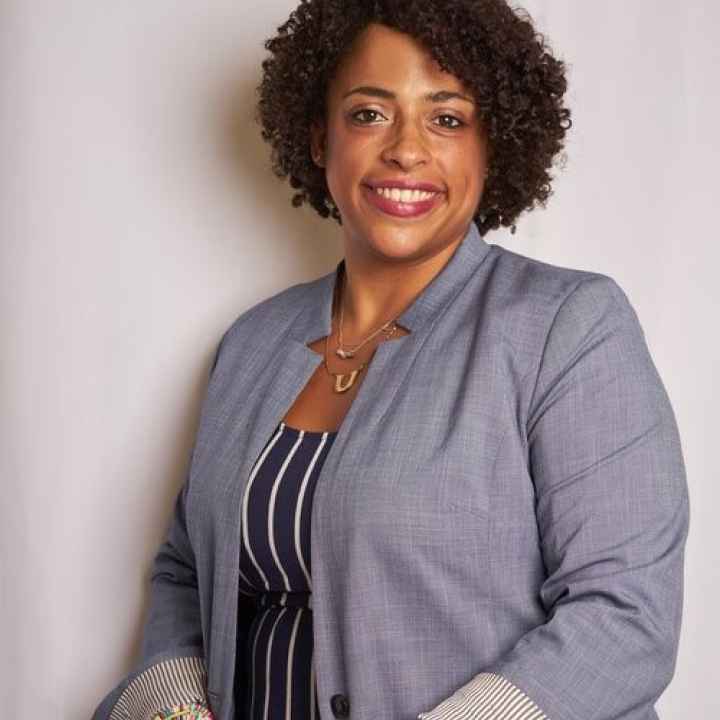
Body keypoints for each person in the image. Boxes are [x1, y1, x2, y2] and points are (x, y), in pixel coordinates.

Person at [91, 2, 689, 719]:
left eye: (447, 119)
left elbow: (625, 616)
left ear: (490, 145)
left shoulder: (567, 327)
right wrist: (173, 711)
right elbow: (187, 569)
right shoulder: (252, 343)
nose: (407, 150)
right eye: (370, 114)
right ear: (319, 138)